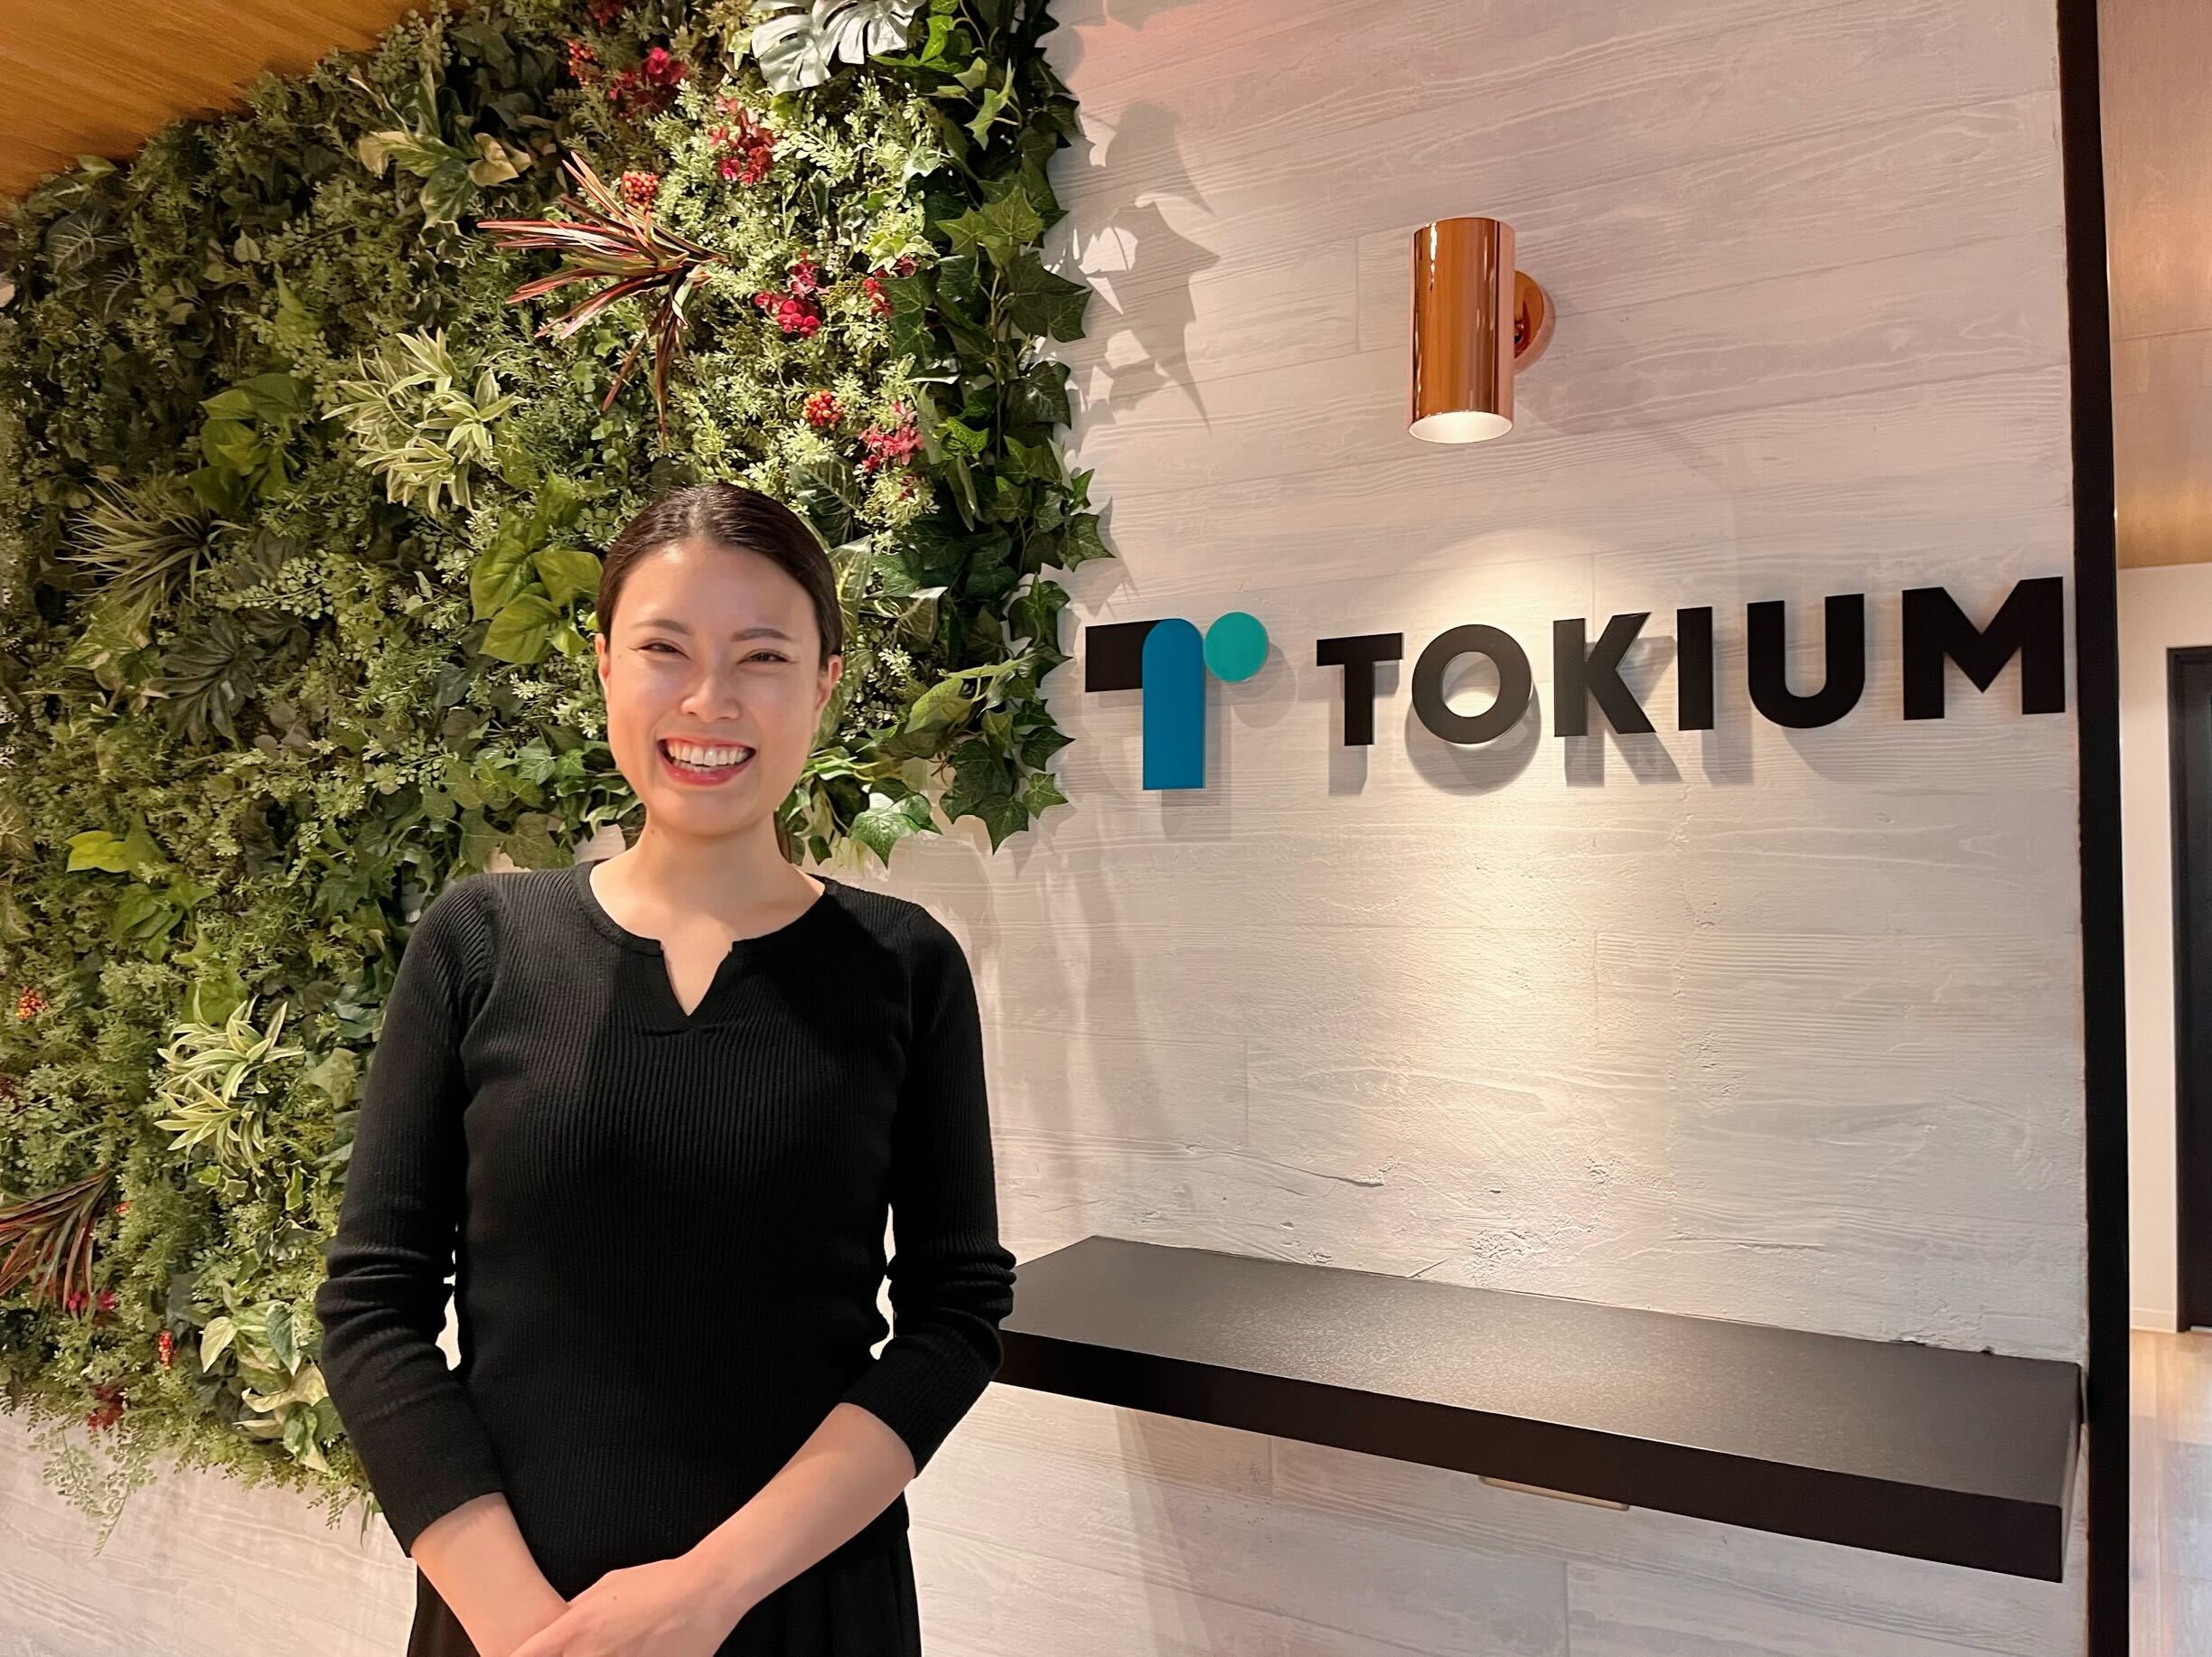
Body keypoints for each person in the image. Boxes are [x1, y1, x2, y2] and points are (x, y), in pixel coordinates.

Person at [313, 482, 1019, 1657]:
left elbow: (955, 1318)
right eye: (665, 649)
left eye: (762, 657)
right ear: (603, 665)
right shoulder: (479, 943)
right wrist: (533, 1634)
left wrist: (709, 1589)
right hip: (513, 1620)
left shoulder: (906, 969)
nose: (709, 701)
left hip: (806, 1611)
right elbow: (371, 1307)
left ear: (825, 684)